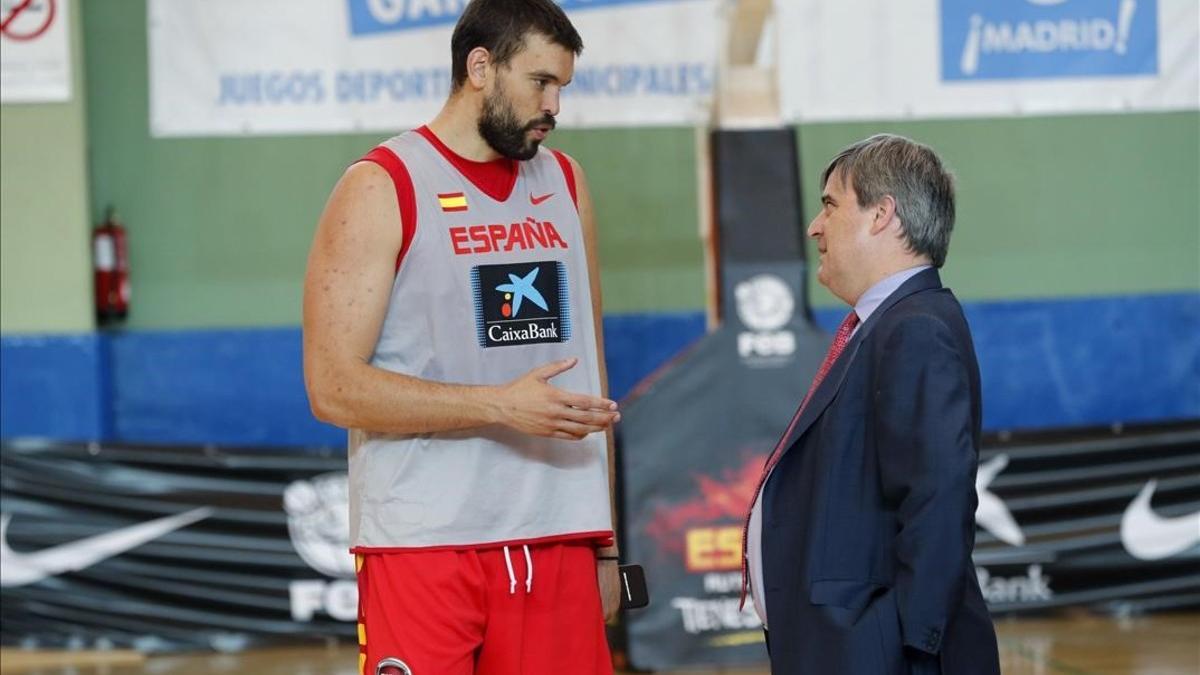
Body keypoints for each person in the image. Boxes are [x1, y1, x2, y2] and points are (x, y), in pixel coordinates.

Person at [302, 2, 621, 673]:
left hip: (557, 537)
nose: (554, 104)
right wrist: (499, 405)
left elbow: (592, 374)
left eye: (562, 85)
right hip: (426, 543)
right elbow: (332, 386)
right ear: (480, 67)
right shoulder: (382, 185)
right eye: (540, 81)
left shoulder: (568, 183)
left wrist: (606, 544)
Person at [742, 134, 1001, 674]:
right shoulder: (885, 325)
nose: (815, 225)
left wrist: (908, 648)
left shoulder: (916, 329)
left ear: (882, 215)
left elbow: (938, 502)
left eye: (831, 205)